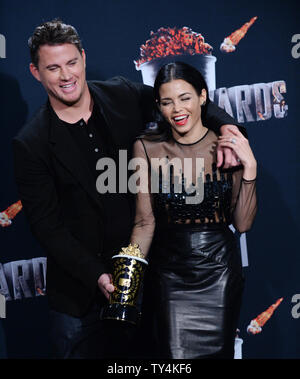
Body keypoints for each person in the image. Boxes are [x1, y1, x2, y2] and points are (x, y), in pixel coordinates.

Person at [13, 19, 246, 359]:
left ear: (84, 58)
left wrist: (228, 128)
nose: (66, 76)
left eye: (71, 63)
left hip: (152, 280)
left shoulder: (123, 94)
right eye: (53, 68)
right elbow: (48, 229)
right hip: (81, 299)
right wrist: (99, 277)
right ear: (36, 72)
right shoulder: (31, 144)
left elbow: (184, 100)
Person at [122, 62, 257, 359]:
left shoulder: (226, 146)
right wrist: (125, 288)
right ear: (159, 106)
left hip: (219, 273)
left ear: (203, 97)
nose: (177, 109)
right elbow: (144, 223)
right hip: (169, 276)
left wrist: (250, 168)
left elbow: (243, 224)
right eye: (167, 102)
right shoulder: (146, 148)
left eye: (185, 98)